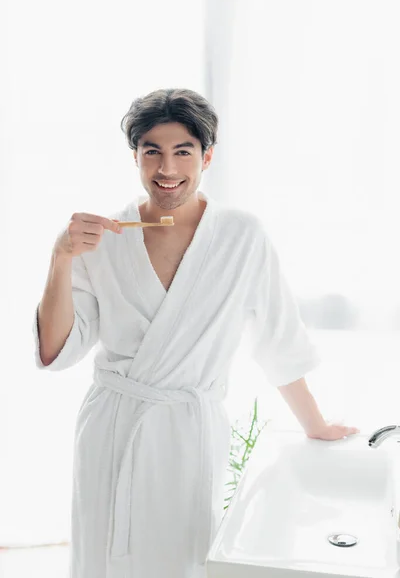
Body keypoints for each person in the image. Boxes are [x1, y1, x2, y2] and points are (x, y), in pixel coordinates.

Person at [33, 88, 359, 578]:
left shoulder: (240, 236)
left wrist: (316, 425)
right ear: (136, 158)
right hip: (112, 428)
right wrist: (60, 258)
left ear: (207, 156)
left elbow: (279, 341)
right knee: (101, 557)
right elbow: (57, 351)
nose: (167, 169)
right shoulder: (104, 238)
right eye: (152, 152)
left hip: (188, 431)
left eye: (183, 151)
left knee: (182, 559)